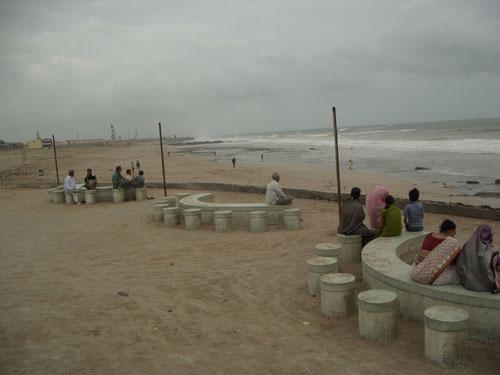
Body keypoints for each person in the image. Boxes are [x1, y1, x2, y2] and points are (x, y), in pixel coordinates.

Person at [410, 220, 461, 285]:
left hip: (417, 272)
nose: (455, 233)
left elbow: (422, 253)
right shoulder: (452, 242)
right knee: (457, 272)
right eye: (454, 231)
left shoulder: (429, 235)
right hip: (431, 276)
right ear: (450, 231)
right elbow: (456, 260)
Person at [456, 224, 500, 293]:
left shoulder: (467, 246)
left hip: (468, 283)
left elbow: (460, 264)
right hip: (487, 285)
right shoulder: (490, 252)